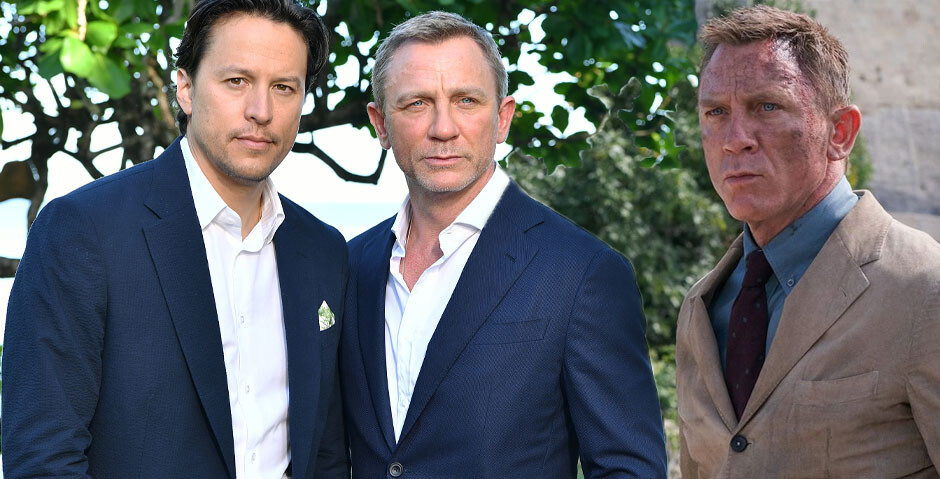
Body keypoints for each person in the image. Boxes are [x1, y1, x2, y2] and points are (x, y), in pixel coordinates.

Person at [2, 1, 349, 477]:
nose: (261, 111)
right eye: (237, 81)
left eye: (284, 87)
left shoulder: (324, 251)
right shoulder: (83, 231)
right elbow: (43, 459)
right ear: (185, 88)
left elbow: (325, 453)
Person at [340, 11, 666, 478]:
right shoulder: (351, 266)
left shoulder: (582, 272)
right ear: (381, 124)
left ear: (502, 118)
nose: (443, 128)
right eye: (416, 103)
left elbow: (628, 469)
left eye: (466, 100)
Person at [676, 5, 940, 478]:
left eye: (767, 106)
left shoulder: (924, 288)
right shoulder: (700, 307)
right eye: (716, 112)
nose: (735, 139)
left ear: (840, 133)